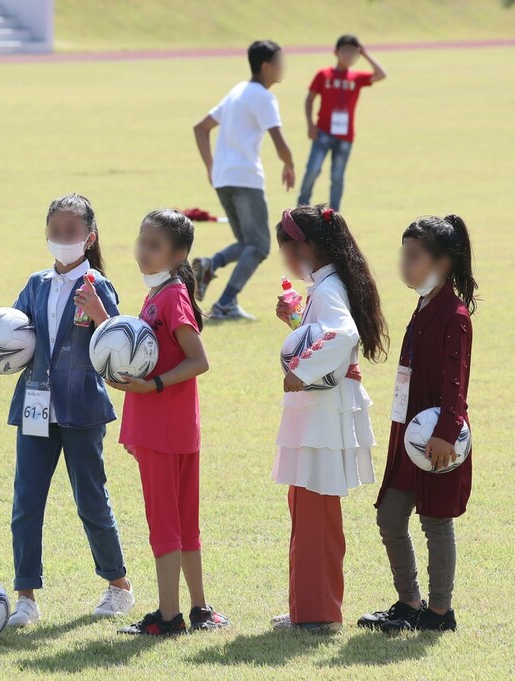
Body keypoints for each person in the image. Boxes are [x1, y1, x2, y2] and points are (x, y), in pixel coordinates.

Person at [0, 194, 134, 628]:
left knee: (91, 499)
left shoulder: (98, 286)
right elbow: (14, 335)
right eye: (55, 232)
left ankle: (118, 587)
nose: (62, 239)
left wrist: (98, 313)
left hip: (82, 410)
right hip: (36, 408)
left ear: (88, 238)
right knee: (26, 501)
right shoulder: (36, 284)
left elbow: (117, 344)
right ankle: (26, 596)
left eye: (71, 233)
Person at [77, 209, 229, 636]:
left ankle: (168, 617)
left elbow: (198, 360)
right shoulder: (160, 293)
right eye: (142, 241)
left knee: (166, 526)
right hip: (171, 428)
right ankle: (200, 610)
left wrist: (155, 385)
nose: (144, 251)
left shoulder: (170, 296)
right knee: (183, 523)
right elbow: (143, 349)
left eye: (155, 245)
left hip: (164, 429)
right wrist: (102, 316)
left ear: (178, 253)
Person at [270, 205, 388, 634]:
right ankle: (308, 607)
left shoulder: (330, 286)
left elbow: (343, 334)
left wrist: (298, 372)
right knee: (306, 508)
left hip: (323, 414)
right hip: (319, 414)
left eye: (284, 249)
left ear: (303, 247)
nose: (283, 259)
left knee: (315, 511)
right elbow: (327, 331)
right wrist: (299, 319)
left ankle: (318, 613)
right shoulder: (326, 283)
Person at [358, 214, 477, 634]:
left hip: (437, 440)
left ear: (442, 263)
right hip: (408, 435)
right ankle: (409, 602)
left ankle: (440, 614)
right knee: (391, 516)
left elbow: (455, 383)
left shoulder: (454, 315)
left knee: (435, 521)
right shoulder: (425, 303)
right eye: (403, 254)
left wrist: (446, 434)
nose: (405, 264)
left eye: (414, 256)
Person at [192, 40, 296, 321]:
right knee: (260, 246)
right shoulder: (263, 96)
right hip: (246, 179)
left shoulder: (237, 91)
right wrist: (289, 164)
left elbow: (200, 128)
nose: (283, 67)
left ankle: (210, 265)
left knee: (247, 242)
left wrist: (211, 167)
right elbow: (278, 139)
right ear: (266, 66)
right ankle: (225, 303)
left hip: (224, 178)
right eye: (279, 62)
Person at [297, 35, 387, 212]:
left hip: (345, 136)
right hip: (322, 132)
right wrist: (310, 124)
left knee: (337, 176)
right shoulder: (323, 75)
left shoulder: (357, 78)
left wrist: (366, 54)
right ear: (336, 52)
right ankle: (301, 207)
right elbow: (309, 99)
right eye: (345, 51)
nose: (349, 55)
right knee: (312, 170)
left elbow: (382, 74)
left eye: (354, 52)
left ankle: (334, 213)